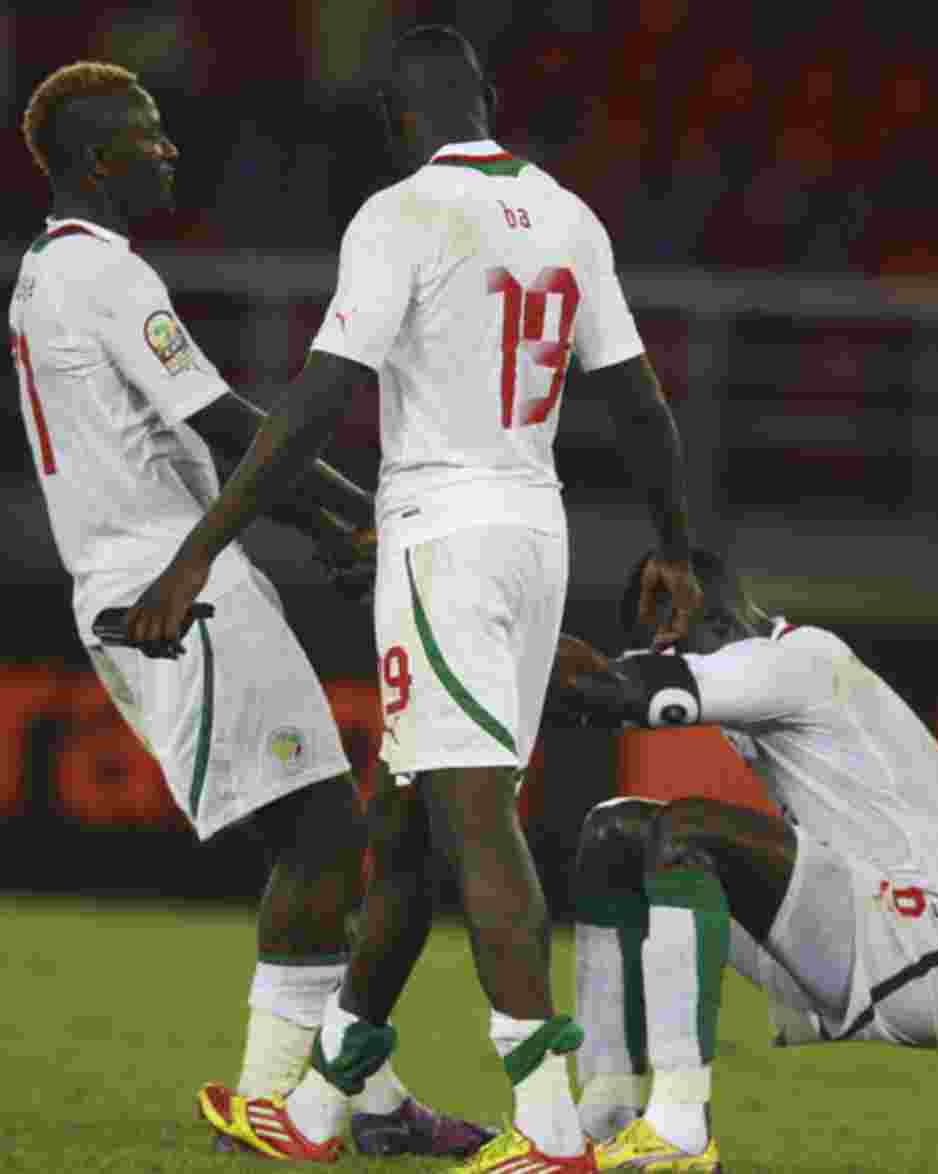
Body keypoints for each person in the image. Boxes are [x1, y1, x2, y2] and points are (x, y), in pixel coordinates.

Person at [124, 23, 702, 1172]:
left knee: (473, 814)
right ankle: (325, 1102)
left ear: (395, 120)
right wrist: (680, 546)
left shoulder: (400, 215)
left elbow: (315, 404)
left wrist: (200, 548)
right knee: (403, 818)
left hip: (444, 535)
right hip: (536, 531)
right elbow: (637, 400)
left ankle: (546, 1130)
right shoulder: (567, 213)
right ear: (483, 98)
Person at [11, 60, 492, 1161]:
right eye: (147, 136)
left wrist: (320, 530)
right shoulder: (105, 279)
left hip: (149, 574)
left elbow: (162, 445)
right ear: (96, 159)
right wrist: (363, 508)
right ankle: (276, 1097)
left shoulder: (47, 274)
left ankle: (361, 1101)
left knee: (314, 827)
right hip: (173, 590)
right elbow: (228, 421)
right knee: (321, 829)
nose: (170, 150)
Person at [558, 548, 938, 1173]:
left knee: (688, 831)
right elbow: (599, 694)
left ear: (711, 617)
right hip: (874, 919)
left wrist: (511, 634)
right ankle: (604, 1119)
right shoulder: (770, 659)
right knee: (614, 833)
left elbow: (619, 693)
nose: (668, 656)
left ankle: (680, 1132)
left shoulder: (797, 662)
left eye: (670, 639)